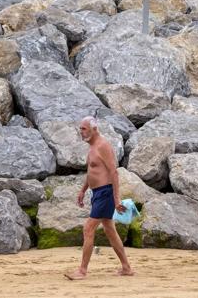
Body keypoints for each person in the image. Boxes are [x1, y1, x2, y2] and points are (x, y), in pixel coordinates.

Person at [65, 116, 134, 280]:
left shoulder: (103, 146)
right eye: (80, 128)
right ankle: (126, 268)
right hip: (97, 193)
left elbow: (113, 172)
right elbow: (92, 172)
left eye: (83, 129)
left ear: (94, 129)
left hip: (106, 192)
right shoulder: (92, 147)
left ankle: (82, 271)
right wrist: (83, 190)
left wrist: (116, 199)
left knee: (88, 228)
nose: (80, 132)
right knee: (110, 230)